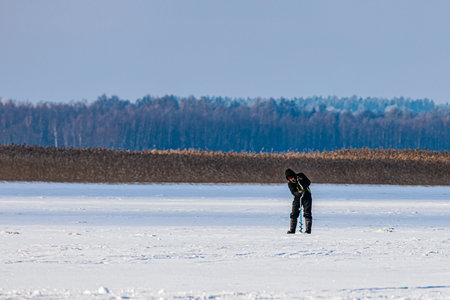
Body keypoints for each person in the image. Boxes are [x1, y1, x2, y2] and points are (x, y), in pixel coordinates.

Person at [285, 168, 312, 234]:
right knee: (294, 214)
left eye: (291, 177)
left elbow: (308, 183)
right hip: (297, 198)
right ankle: (292, 230)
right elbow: (293, 192)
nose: (291, 179)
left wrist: (301, 181)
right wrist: (299, 193)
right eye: (289, 178)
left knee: (307, 213)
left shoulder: (301, 175)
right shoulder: (290, 183)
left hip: (307, 197)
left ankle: (308, 231)